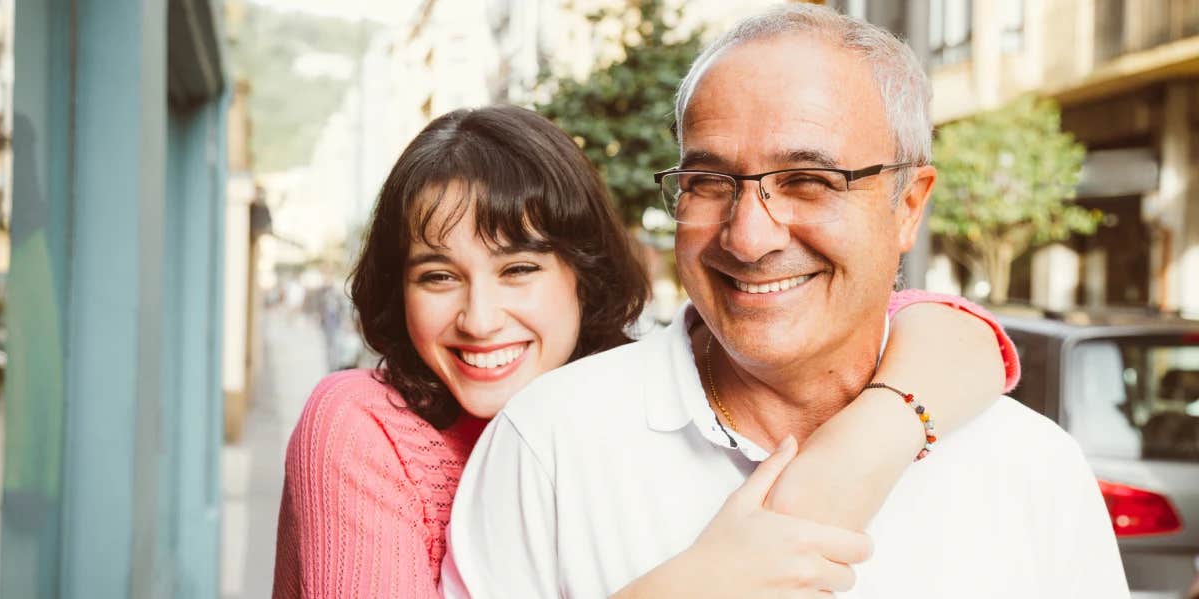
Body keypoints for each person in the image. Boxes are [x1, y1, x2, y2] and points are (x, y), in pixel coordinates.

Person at [441, 6, 1128, 598]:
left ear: (909, 205)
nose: (748, 235)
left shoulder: (1032, 469)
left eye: (808, 180)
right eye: (708, 180)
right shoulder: (552, 444)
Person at [272, 105, 1017, 598]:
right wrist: (701, 580)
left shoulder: (614, 400)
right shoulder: (360, 423)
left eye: (519, 268)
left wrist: (870, 437)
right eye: (437, 276)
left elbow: (944, 325)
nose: (479, 316)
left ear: (581, 273)